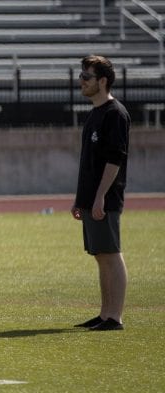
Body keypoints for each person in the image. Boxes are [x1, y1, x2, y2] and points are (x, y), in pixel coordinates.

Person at [70, 55, 131, 332]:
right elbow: (89, 163)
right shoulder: (95, 113)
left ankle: (115, 317)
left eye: (86, 77)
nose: (81, 81)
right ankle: (105, 313)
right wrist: (80, 199)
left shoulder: (114, 113)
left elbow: (114, 160)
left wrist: (100, 196)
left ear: (102, 81)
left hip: (104, 198)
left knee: (111, 253)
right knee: (100, 255)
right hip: (91, 197)